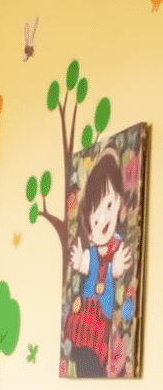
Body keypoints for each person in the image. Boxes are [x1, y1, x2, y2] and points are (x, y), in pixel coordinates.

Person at [62, 148, 132, 377]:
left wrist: (116, 269)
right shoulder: (92, 253)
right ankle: (79, 355)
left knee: (95, 338)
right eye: (95, 216)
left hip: (102, 314)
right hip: (86, 311)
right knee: (79, 330)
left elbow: (116, 272)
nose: (103, 219)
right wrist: (79, 262)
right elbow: (86, 267)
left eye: (109, 206)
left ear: (120, 202)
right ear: (89, 229)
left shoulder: (118, 247)